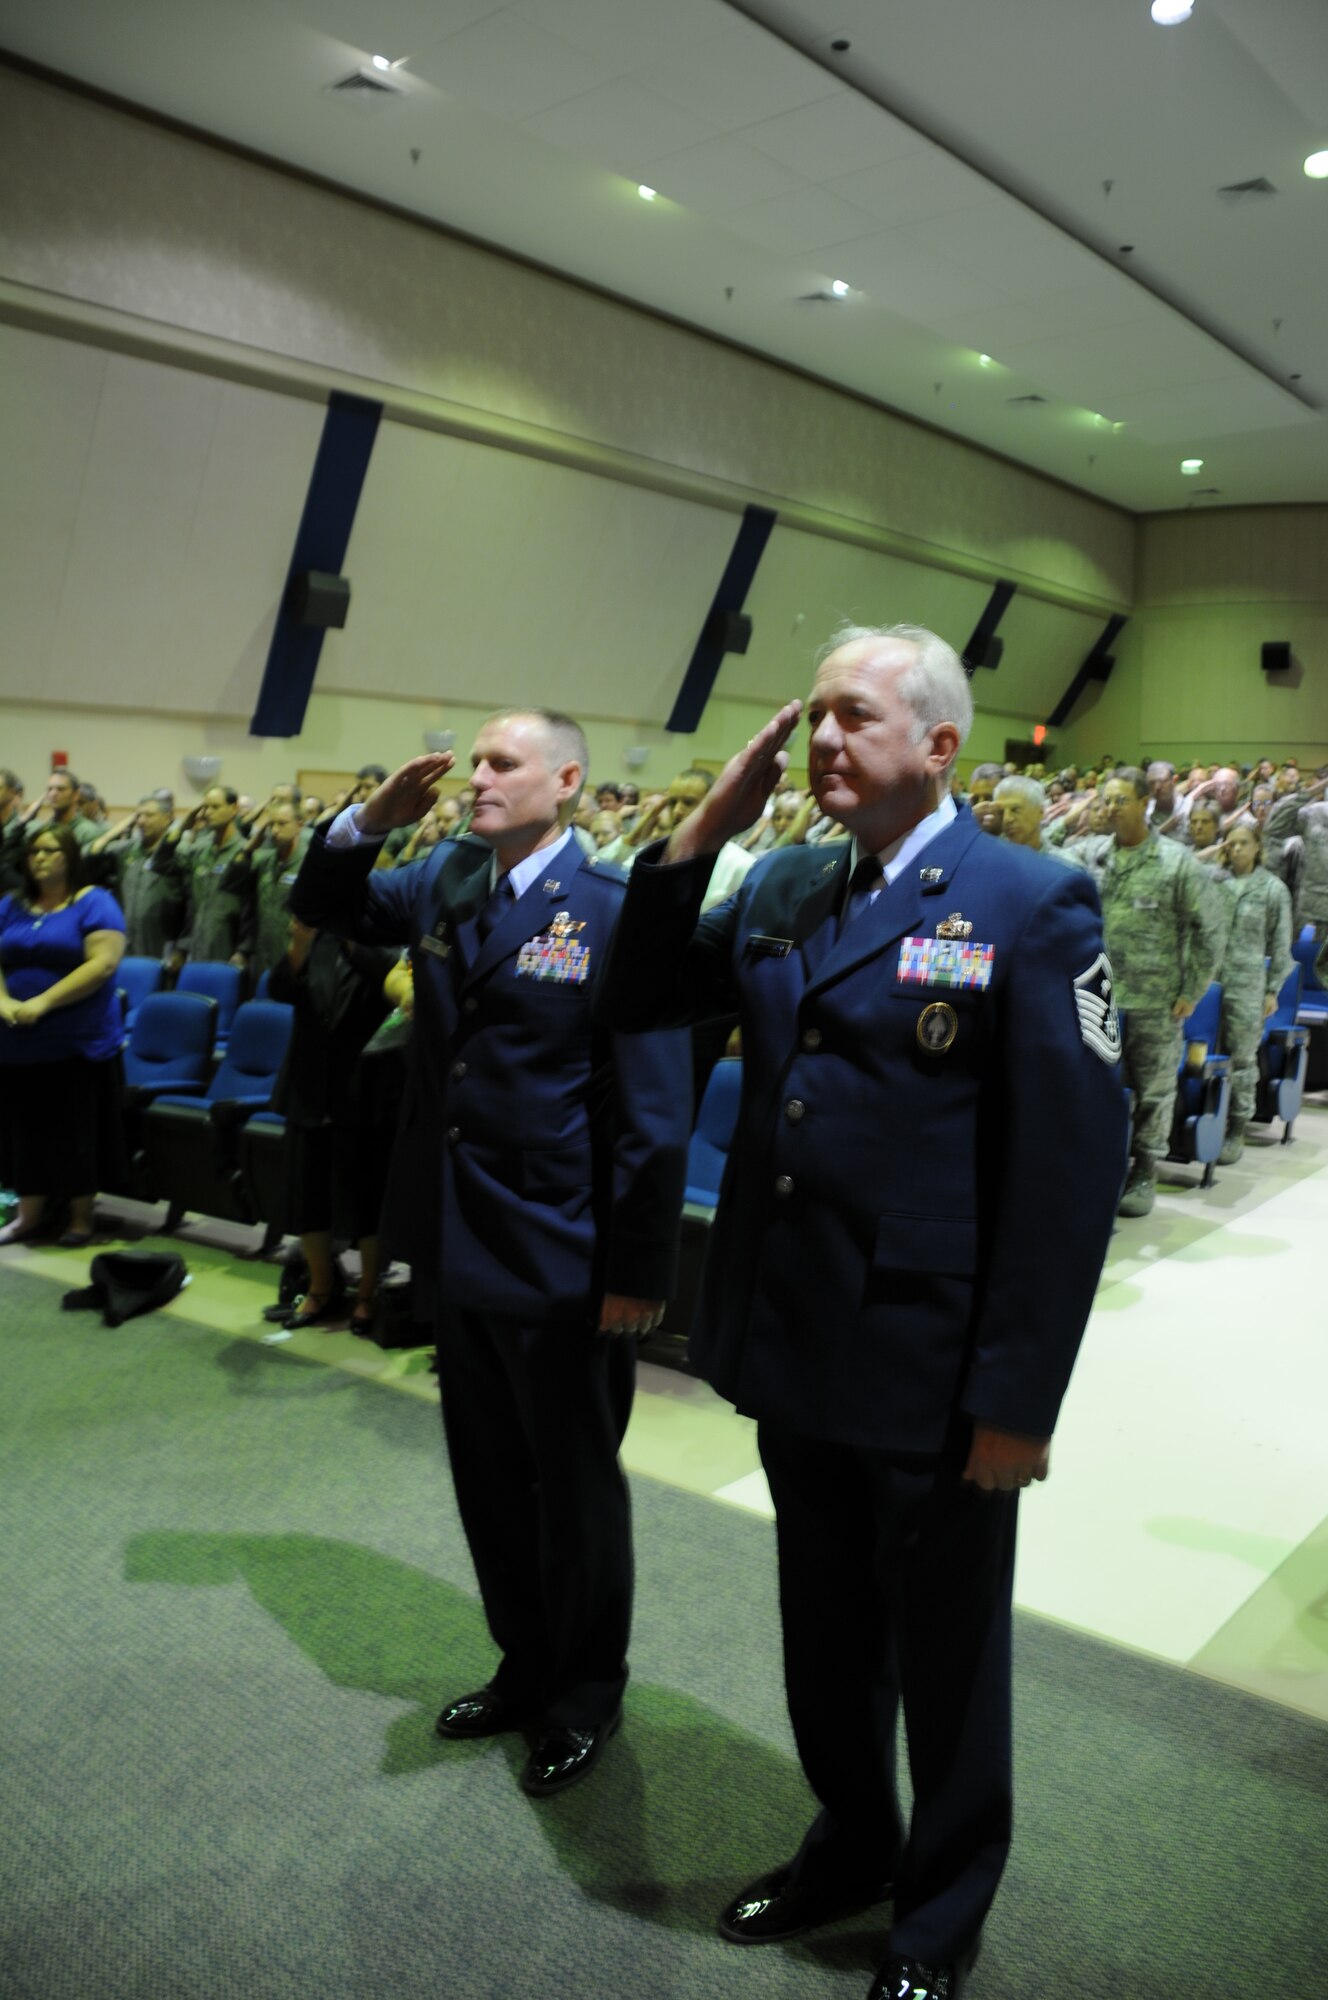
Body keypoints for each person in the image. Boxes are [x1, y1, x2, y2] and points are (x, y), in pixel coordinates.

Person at [599, 623, 1127, 2000]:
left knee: (948, 1659)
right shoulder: (778, 882)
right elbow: (641, 992)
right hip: (795, 1337)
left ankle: (938, 1919)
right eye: (815, 717)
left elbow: (1068, 1173)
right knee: (825, 1633)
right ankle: (853, 1840)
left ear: (939, 745)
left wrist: (1017, 1399)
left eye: (855, 718)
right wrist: (700, 834)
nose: (823, 740)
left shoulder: (1029, 899)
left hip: (934, 1359)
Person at [290, 710, 689, 1799]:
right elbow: (320, 904)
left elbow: (653, 1115)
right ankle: (524, 1663)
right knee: (487, 1481)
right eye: (474, 761)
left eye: (501, 762)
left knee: (571, 1485)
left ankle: (585, 1690)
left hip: (562, 1247)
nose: (477, 778)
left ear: (567, 779)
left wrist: (635, 1273)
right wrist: (367, 821)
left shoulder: (614, 912)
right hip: (458, 1236)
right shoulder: (445, 883)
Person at [1068, 769, 1222, 1218]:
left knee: (1153, 1090)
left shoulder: (1176, 863)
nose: (1111, 809)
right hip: (1099, 997)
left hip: (1156, 1000)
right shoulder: (1090, 855)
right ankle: (1101, 1167)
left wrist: (1192, 990)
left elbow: (1210, 931)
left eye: (1120, 801)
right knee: (1096, 1087)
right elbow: (1044, 844)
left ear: (1143, 805)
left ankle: (1145, 1170)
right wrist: (1072, 813)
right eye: (1105, 801)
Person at [265, 916, 397, 1330]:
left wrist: (355, 941)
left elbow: (392, 985)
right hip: (309, 1084)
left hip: (364, 1089)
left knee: (365, 1199)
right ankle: (321, 1288)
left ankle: (368, 1292)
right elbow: (280, 989)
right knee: (308, 1196)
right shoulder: (316, 939)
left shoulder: (387, 942)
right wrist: (300, 945)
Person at [0, 826, 127, 1246]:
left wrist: (43, 1002)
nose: (40, 858)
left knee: (74, 1130)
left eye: (50, 850)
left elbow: (102, 965)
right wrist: (3, 1001)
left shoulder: (94, 903)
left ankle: (80, 1218)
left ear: (69, 856)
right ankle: (28, 1215)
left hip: (76, 1039)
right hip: (17, 1039)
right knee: (23, 1129)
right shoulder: (11, 906)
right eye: (34, 850)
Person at [1214, 822, 1293, 1163]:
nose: (1236, 849)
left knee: (1243, 1059)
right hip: (1210, 983)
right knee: (1203, 1054)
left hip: (1247, 985)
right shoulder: (1214, 882)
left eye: (1243, 843)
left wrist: (1272, 990)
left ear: (1258, 847)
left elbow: (1281, 945)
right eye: (1230, 844)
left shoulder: (1272, 889)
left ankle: (1236, 1127)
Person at [87, 795, 186, 959]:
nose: (141, 821)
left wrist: (182, 947)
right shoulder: (125, 850)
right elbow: (91, 854)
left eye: (149, 815)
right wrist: (116, 830)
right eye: (138, 815)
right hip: (126, 938)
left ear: (168, 818)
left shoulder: (180, 853)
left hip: (162, 939)